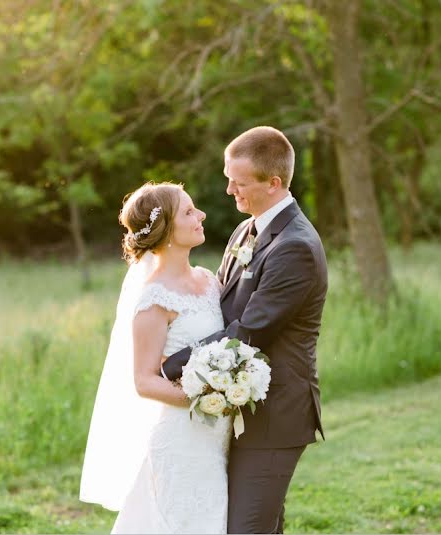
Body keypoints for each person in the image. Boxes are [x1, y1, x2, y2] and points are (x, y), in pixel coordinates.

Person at [162, 126, 328, 534]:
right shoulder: (245, 229)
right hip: (236, 409)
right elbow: (218, 308)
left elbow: (250, 331)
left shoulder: (295, 247)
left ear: (273, 183)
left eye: (238, 182)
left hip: (275, 416)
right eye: (227, 178)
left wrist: (170, 365)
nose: (229, 190)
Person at [80, 182, 231, 534]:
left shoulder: (210, 281)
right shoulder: (153, 300)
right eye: (189, 212)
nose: (201, 216)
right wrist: (206, 400)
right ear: (165, 229)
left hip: (220, 435)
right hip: (183, 437)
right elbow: (143, 380)